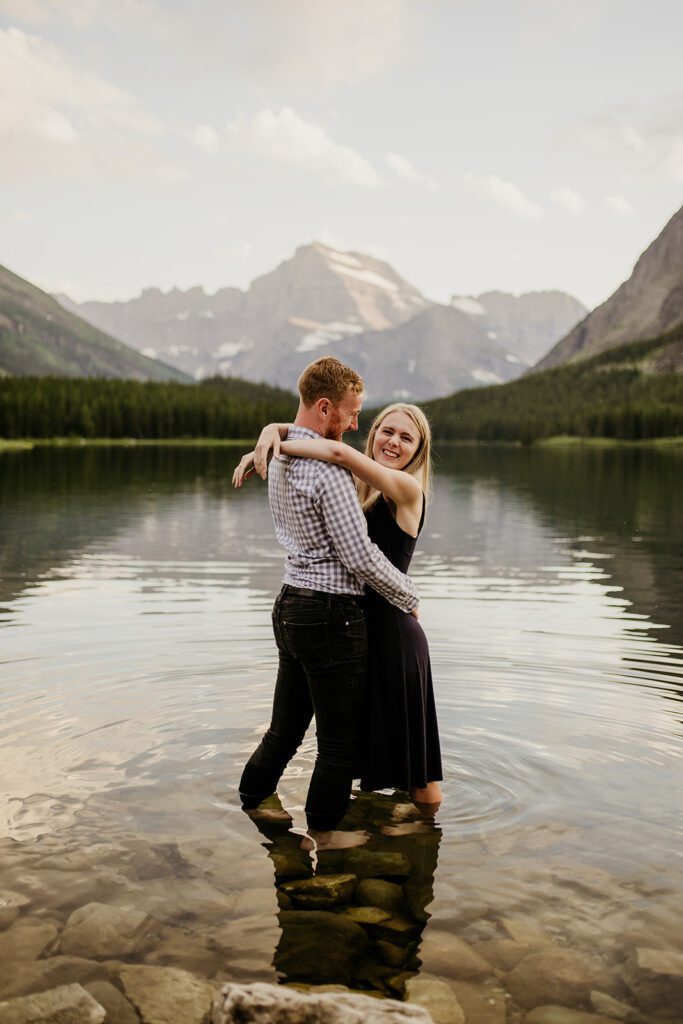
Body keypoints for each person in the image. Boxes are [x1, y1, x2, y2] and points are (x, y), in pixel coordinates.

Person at [235, 357, 419, 840]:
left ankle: (254, 806)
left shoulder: (280, 456)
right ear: (324, 407)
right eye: (352, 413)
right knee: (338, 747)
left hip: (290, 605)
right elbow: (358, 555)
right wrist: (408, 594)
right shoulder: (330, 472)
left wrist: (270, 432)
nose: (357, 424)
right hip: (331, 616)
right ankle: (329, 840)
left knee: (283, 733)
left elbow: (307, 439)